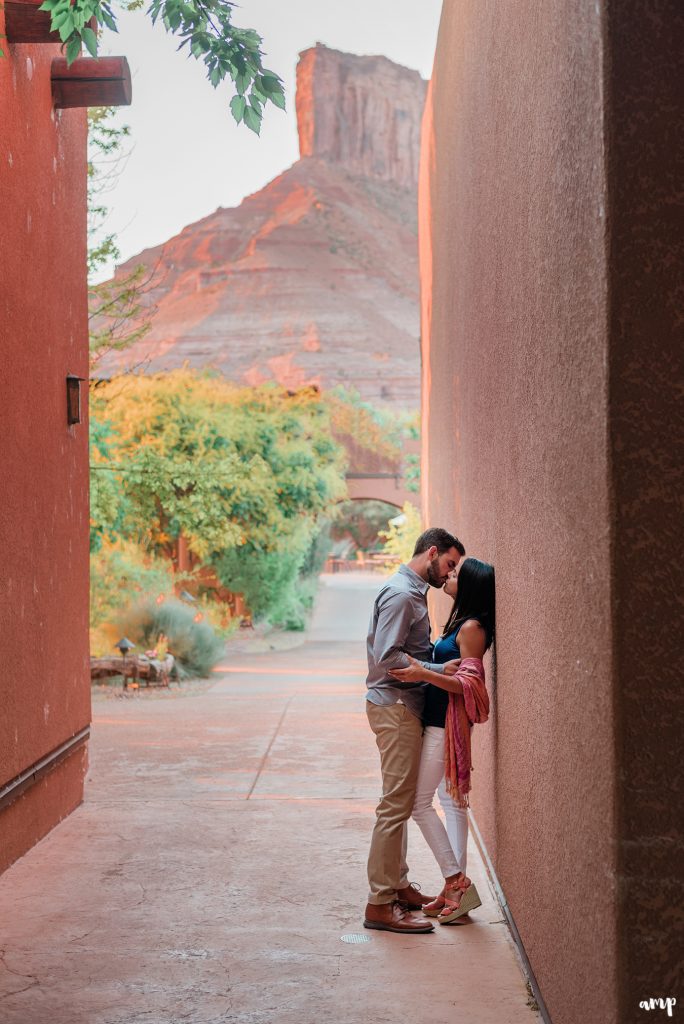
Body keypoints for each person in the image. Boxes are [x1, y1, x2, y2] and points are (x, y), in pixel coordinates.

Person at [363, 527, 465, 934]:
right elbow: (387, 657)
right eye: (450, 564)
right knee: (394, 806)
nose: (450, 573)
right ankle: (379, 904)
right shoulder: (404, 594)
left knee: (401, 802)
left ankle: (400, 886)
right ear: (432, 553)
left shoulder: (411, 590)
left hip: (402, 707)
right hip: (397, 707)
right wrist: (439, 669)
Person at [390, 557, 495, 924]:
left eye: (455, 574)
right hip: (440, 722)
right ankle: (455, 891)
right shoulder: (460, 623)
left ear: (469, 586)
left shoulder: (472, 628)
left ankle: (456, 881)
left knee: (420, 804)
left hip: (444, 725)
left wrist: (422, 673)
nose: (449, 576)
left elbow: (469, 685)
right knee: (452, 804)